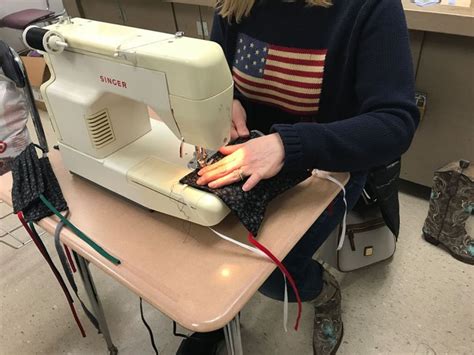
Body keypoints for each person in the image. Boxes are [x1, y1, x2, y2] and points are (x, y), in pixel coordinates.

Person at [177, 0, 419, 354]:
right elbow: (220, 74)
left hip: (327, 163)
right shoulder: (235, 3)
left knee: (277, 275)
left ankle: (324, 291)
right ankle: (221, 318)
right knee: (206, 243)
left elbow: (396, 123)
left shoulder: (369, 7)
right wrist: (226, 99)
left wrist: (287, 146)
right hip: (250, 152)